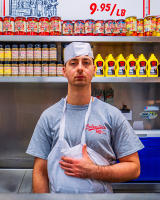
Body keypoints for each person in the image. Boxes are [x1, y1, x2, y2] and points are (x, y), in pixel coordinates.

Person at [26, 42, 144, 193]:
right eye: (73, 63)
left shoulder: (112, 115)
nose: (80, 68)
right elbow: (40, 172)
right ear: (64, 71)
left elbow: (134, 168)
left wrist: (95, 171)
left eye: (86, 62)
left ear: (94, 70)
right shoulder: (49, 116)